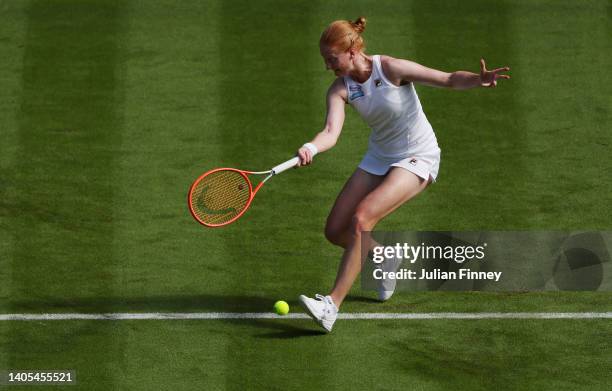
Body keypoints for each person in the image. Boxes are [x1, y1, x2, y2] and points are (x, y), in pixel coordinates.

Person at [297, 16, 510, 332]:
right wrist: (311, 148)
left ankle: (332, 305)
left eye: (332, 59)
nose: (329, 67)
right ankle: (383, 258)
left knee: (361, 220)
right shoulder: (340, 89)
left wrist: (477, 80)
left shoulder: (391, 69)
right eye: (326, 61)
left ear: (352, 49)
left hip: (416, 156)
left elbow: (448, 79)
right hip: (379, 156)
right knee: (334, 230)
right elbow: (330, 131)